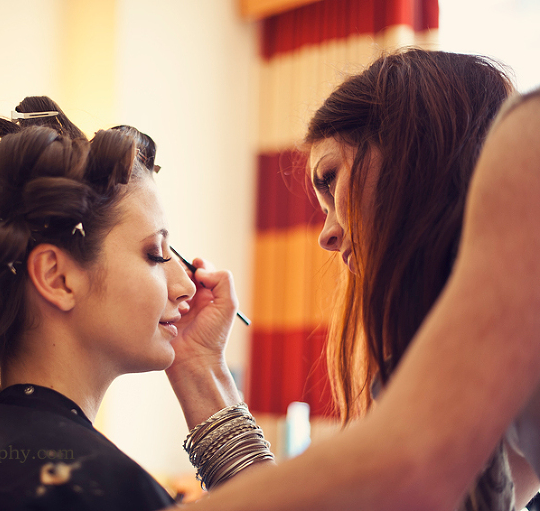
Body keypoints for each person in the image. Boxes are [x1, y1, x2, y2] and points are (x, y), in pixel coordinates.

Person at [171, 51, 540, 510]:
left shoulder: (529, 142)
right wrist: (200, 362)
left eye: (330, 179)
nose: (325, 235)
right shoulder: (461, 364)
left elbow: (405, 474)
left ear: (414, 153)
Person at [0, 97, 270, 510]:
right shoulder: (105, 491)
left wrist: (200, 360)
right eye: (155, 254)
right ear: (57, 277)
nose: (186, 286)